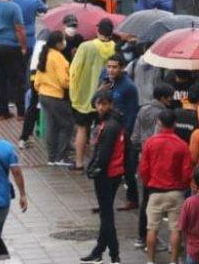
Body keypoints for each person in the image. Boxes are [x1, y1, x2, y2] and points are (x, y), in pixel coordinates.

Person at [137, 109, 192, 264]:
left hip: (155, 191)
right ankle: (174, 260)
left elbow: (143, 168)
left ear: (159, 123)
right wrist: (182, 185)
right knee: (175, 229)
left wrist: (148, 183)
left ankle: (150, 260)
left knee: (152, 228)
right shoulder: (182, 145)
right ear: (175, 124)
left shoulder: (150, 143)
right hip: (176, 192)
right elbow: (186, 171)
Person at [80, 91, 127, 264]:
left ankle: (114, 253)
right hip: (114, 173)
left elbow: (104, 153)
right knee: (106, 212)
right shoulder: (115, 122)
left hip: (106, 175)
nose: (100, 107)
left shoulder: (109, 125)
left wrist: (93, 169)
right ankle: (99, 250)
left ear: (111, 104)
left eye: (104, 104)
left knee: (106, 216)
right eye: (98, 104)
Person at [69, 18, 117, 169]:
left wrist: (74, 91)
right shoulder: (115, 47)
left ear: (98, 30)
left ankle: (79, 163)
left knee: (82, 129)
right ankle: (99, 162)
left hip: (84, 97)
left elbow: (74, 70)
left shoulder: (86, 46)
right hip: (105, 98)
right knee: (101, 129)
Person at [99, 53, 140, 209]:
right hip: (108, 129)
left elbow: (132, 112)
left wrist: (126, 133)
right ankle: (106, 200)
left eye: (114, 67)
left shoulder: (128, 87)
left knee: (127, 168)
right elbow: (95, 102)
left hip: (123, 133)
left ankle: (133, 198)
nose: (111, 70)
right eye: (109, 67)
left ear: (122, 68)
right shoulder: (108, 82)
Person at [12, 0, 47, 147]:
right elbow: (43, 10)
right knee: (25, 74)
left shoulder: (9, 0)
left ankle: (14, 100)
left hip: (11, 42)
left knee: (13, 73)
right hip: (31, 40)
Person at [32, 31, 74, 165]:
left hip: (44, 95)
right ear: (58, 43)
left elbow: (37, 79)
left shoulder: (45, 55)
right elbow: (64, 81)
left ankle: (52, 157)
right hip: (56, 96)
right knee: (66, 125)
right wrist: (73, 81)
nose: (64, 43)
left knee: (51, 126)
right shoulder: (58, 58)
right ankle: (61, 157)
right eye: (63, 41)